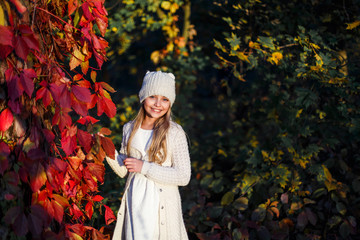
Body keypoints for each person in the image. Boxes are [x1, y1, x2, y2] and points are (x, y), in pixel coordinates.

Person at [106, 70, 191, 240]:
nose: (158, 104)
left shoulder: (174, 132)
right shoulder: (129, 128)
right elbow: (124, 170)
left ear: (170, 103)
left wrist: (144, 167)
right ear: (143, 97)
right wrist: (105, 149)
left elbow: (183, 176)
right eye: (153, 96)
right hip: (135, 202)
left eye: (165, 99)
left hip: (160, 205)